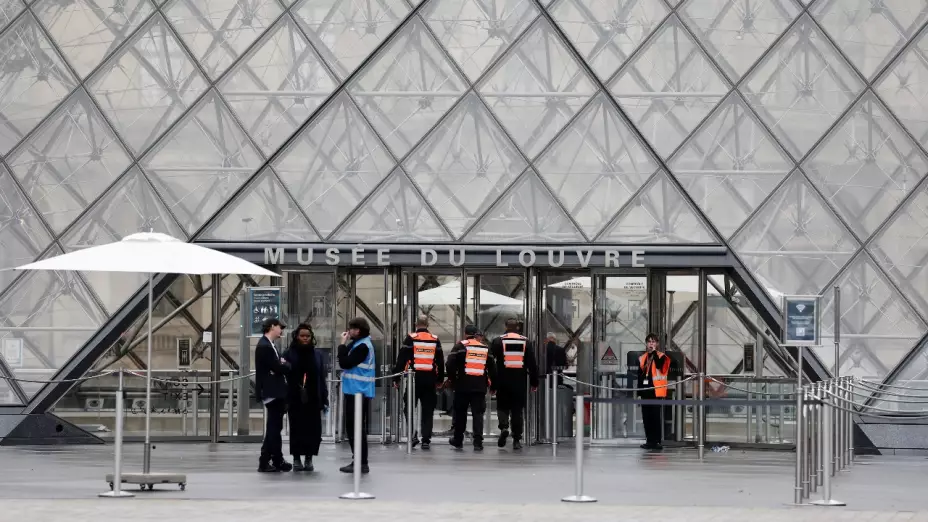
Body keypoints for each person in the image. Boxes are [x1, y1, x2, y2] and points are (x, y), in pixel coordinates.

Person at [282, 323, 328, 472]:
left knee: (313, 430)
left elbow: (322, 376)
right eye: (302, 336)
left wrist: (324, 397)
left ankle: (309, 458)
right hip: (295, 397)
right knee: (296, 428)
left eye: (308, 336)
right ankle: (296, 458)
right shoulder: (289, 353)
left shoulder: (317, 354)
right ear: (296, 337)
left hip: (313, 397)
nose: (305, 338)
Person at [393, 315, 444, 450]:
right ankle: (426, 439)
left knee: (408, 408)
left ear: (416, 324)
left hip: (413, 379)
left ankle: (412, 435)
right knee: (428, 410)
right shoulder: (435, 339)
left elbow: (401, 359)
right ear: (427, 325)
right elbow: (440, 361)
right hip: (430, 379)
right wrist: (439, 380)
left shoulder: (411, 338)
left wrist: (396, 378)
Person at [490, 318, 538, 450]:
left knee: (502, 407)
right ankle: (517, 438)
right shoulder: (525, 341)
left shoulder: (498, 341)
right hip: (519, 381)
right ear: (517, 327)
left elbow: (491, 362)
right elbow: (532, 364)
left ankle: (504, 427)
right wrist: (534, 382)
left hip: (502, 380)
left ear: (505, 326)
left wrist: (493, 384)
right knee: (517, 410)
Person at [446, 325, 494, 451]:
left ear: (465, 333)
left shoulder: (460, 346)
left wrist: (452, 379)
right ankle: (478, 442)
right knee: (478, 414)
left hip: (462, 386)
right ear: (476, 334)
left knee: (460, 413)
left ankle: (458, 440)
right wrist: (493, 385)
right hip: (479, 387)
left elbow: (449, 363)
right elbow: (493, 368)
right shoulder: (484, 348)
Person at [254, 318, 293, 472]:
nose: (281, 330)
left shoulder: (269, 345)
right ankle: (272, 460)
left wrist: (281, 364)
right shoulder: (265, 346)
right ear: (272, 327)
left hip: (274, 390)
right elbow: (278, 367)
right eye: (279, 327)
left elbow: (277, 366)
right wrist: (285, 364)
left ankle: (271, 459)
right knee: (273, 428)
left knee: (274, 427)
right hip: (272, 391)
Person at [337, 317, 375, 473]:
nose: (349, 331)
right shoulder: (359, 343)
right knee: (353, 427)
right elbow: (347, 356)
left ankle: (361, 462)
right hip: (355, 390)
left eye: (351, 329)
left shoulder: (363, 346)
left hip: (358, 392)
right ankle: (358, 460)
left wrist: (341, 344)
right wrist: (345, 344)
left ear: (358, 330)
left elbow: (345, 362)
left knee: (356, 428)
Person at [638, 333, 670, 450]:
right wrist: (639, 392)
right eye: (649, 342)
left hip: (656, 391)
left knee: (655, 417)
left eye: (653, 342)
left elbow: (660, 366)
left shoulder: (661, 356)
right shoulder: (643, 357)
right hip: (645, 391)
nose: (651, 344)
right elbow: (640, 375)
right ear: (646, 344)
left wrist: (654, 352)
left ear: (657, 344)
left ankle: (656, 441)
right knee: (646, 417)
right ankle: (649, 440)